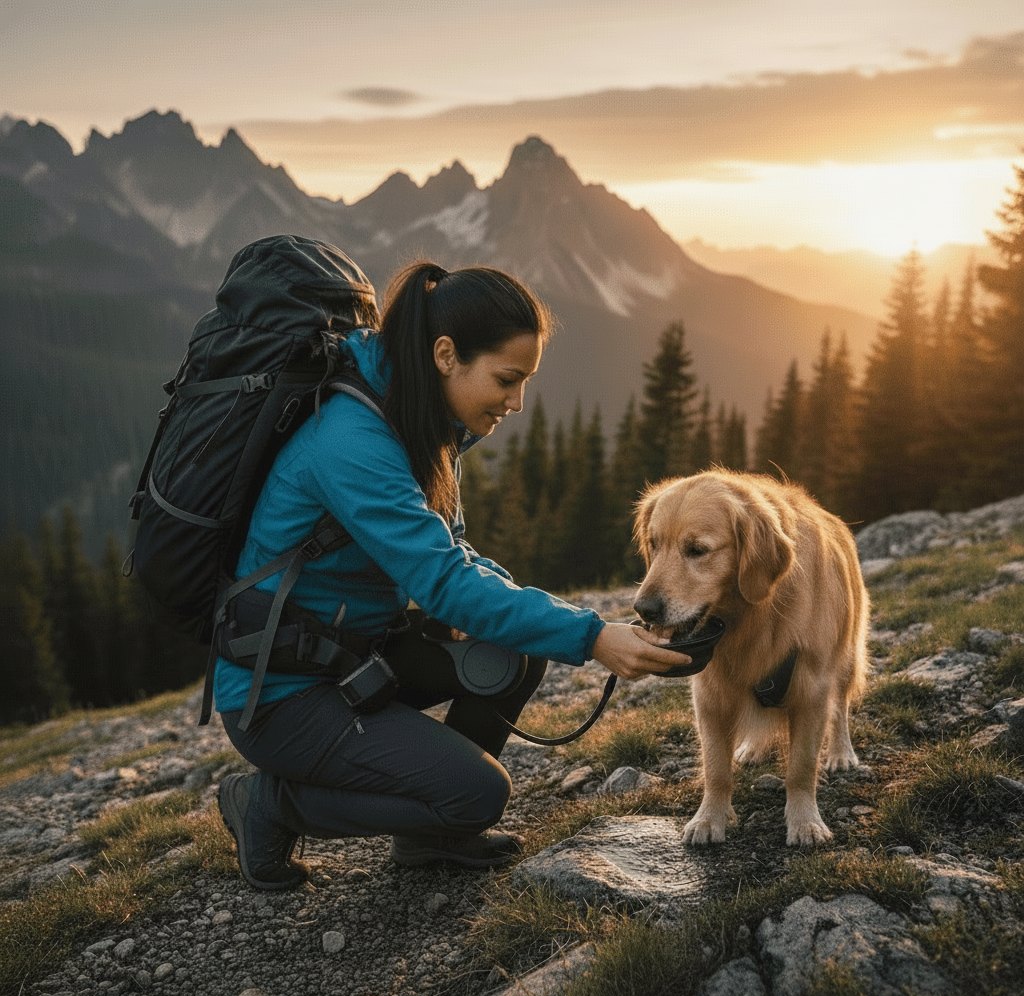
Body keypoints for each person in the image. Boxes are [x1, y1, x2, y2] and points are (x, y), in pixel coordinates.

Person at [215, 260, 691, 890]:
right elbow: (443, 582)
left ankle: (427, 838)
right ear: (445, 355)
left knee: (516, 654)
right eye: (507, 378)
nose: (518, 402)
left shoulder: (422, 419)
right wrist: (593, 636)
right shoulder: (352, 442)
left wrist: (551, 621)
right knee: (479, 793)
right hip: (281, 694)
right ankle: (269, 804)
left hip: (352, 656)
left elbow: (453, 554)